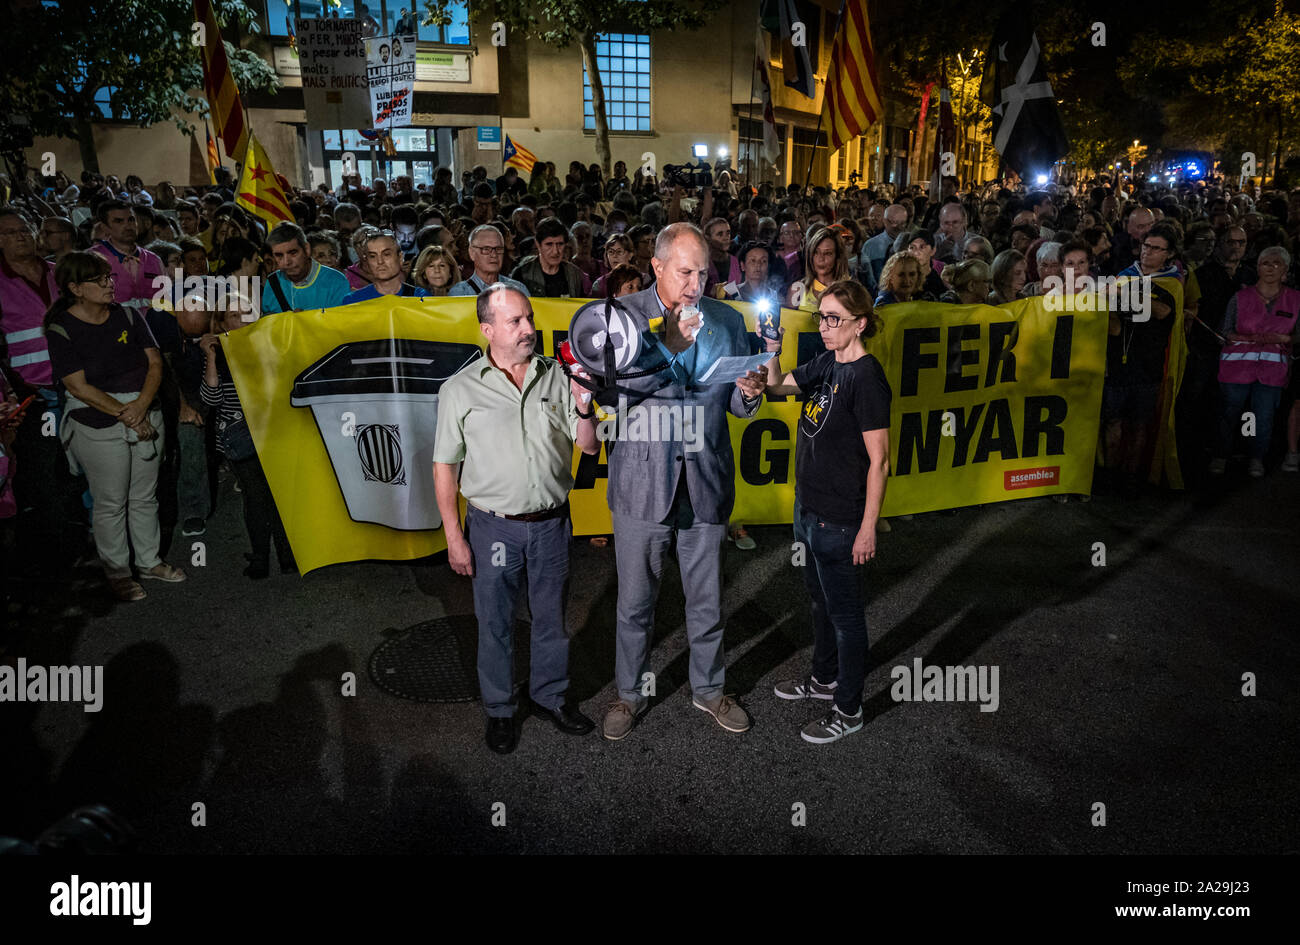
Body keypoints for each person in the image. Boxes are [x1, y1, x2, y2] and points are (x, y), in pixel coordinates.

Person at [599, 222, 768, 741]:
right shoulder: (621, 318)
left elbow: (737, 408)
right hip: (640, 484)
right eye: (685, 271)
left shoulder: (726, 318)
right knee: (634, 603)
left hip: (705, 480)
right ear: (657, 267)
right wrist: (668, 346)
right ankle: (628, 695)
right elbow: (610, 401)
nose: (697, 282)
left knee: (707, 599)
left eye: (703, 271)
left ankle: (710, 690)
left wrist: (751, 391)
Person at [433, 285, 600, 754]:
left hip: (551, 523)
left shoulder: (558, 376)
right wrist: (453, 535)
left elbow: (588, 446)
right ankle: (501, 710)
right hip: (491, 528)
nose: (529, 329)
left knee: (551, 619)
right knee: (496, 624)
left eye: (528, 318)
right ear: (488, 330)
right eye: (515, 322)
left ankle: (551, 696)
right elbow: (445, 464)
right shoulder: (459, 389)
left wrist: (584, 404)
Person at [761, 280, 890, 743]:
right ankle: (823, 679)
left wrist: (867, 528)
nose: (825, 326)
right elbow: (776, 388)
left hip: (841, 518)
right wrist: (771, 349)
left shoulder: (866, 377)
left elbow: (880, 461)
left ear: (860, 323)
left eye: (835, 318)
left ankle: (849, 708)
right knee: (819, 603)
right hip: (808, 508)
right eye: (822, 317)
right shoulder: (828, 363)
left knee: (847, 617)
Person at [44, 252, 185, 601]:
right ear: (75, 288)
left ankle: (149, 561)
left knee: (144, 495)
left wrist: (140, 407)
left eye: (110, 277)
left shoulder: (128, 314)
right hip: (97, 423)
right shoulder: (61, 328)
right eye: (101, 280)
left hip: (143, 412)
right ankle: (118, 572)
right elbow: (77, 386)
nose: (111, 284)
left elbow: (155, 363)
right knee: (110, 502)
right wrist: (129, 413)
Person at [201, 293, 295, 578]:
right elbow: (211, 398)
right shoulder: (219, 353)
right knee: (255, 498)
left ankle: (288, 556)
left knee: (279, 496)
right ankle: (260, 558)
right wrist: (211, 358)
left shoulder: (270, 346)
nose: (242, 320)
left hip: (274, 432)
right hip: (240, 437)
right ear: (221, 322)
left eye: (247, 313)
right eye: (234, 315)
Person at [1211, 246, 1298, 478]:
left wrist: (1286, 338)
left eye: (1276, 263)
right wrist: (1240, 337)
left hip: (1271, 371)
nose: (1270, 267)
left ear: (1285, 270)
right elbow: (1224, 330)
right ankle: (1221, 455)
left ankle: (1256, 458)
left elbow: (1297, 335)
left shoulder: (1295, 300)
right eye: (1264, 263)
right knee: (1229, 413)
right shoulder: (1240, 297)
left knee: (1263, 416)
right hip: (1236, 369)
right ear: (1257, 267)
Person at [260, 221, 350, 314]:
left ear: (307, 249)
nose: (287, 262)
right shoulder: (272, 282)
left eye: (293, 253)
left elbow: (341, 324)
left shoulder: (336, 281)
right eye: (279, 255)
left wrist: (307, 320)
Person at [88, 200, 164, 307]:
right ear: (105, 228)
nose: (128, 226)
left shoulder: (154, 260)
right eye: (119, 221)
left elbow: (166, 301)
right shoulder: (91, 259)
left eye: (131, 220)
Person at [341, 231, 427, 304]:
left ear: (400, 258)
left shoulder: (421, 298)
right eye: (372, 256)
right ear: (367, 262)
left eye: (386, 254)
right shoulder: (353, 302)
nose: (380, 261)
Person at [510, 217, 584, 297]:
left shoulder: (574, 274)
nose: (555, 251)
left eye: (560, 244)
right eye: (549, 244)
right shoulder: (522, 274)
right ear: (538, 244)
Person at [449, 224, 529, 296]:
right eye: (486, 249)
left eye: (498, 249)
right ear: (472, 253)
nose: (494, 255)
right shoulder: (460, 293)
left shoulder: (519, 290)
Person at [789, 228, 848, 312]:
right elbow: (787, 323)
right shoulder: (797, 289)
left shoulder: (849, 292)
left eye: (827, 253)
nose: (821, 258)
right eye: (816, 252)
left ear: (838, 257)